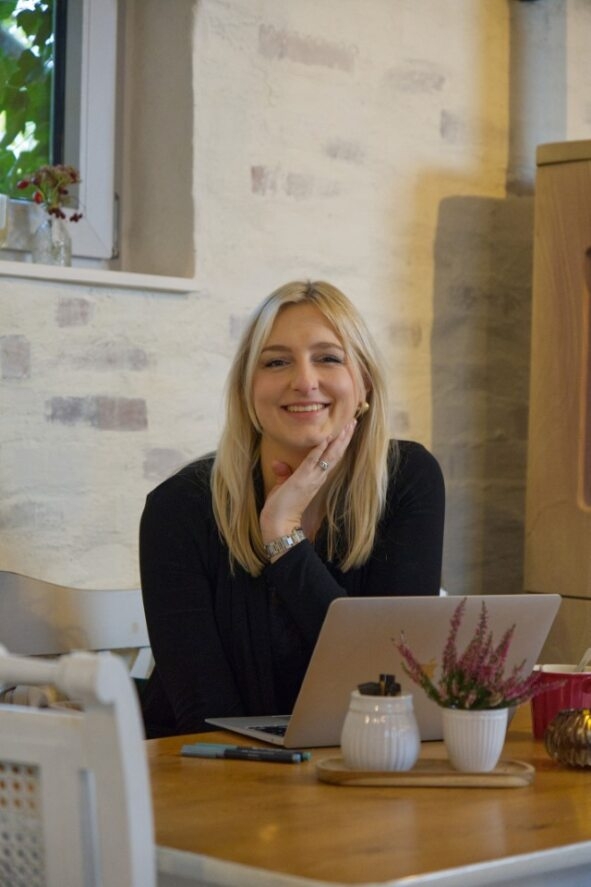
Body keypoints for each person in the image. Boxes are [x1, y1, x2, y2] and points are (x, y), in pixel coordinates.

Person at [139, 280, 445, 738]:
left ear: (363, 382)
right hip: (210, 767)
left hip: (358, 764)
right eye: (276, 362)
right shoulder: (178, 508)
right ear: (248, 388)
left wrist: (283, 536)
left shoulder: (407, 479)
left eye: (329, 358)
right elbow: (204, 720)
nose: (303, 381)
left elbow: (389, 684)